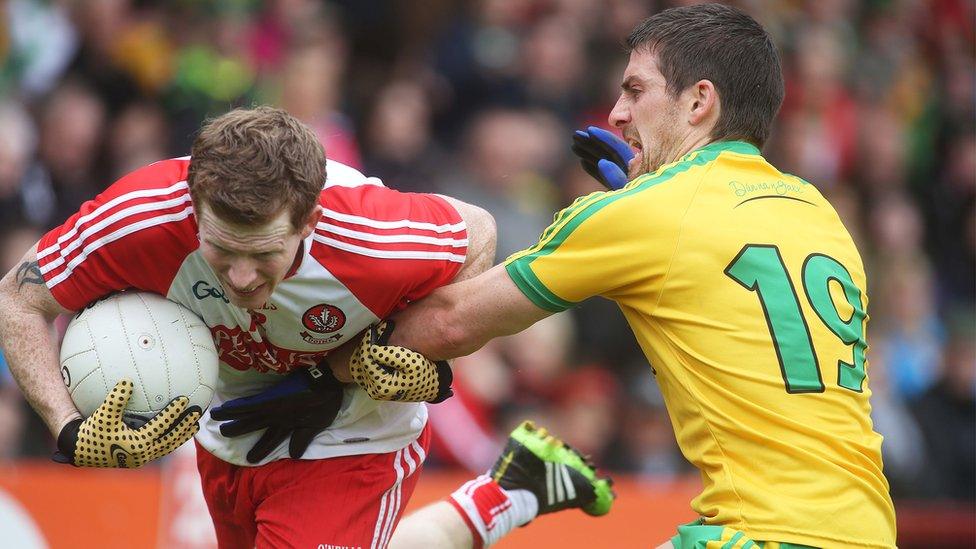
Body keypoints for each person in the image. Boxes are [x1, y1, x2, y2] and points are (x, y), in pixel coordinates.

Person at [361, 5, 897, 548]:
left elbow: (449, 324)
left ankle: (504, 496)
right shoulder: (819, 211)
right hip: (868, 529)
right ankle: (508, 494)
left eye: (636, 91)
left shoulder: (649, 212)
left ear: (698, 102)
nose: (616, 114)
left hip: (762, 535)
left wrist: (314, 355)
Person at [0, 105, 611, 548]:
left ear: (310, 220)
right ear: (193, 204)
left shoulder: (373, 238)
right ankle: (505, 495)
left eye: (264, 254)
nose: (240, 278)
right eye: (221, 250)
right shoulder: (143, 217)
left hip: (356, 438)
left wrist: (371, 360)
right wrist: (67, 426)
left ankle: (506, 495)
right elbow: (18, 300)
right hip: (230, 432)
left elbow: (478, 232)